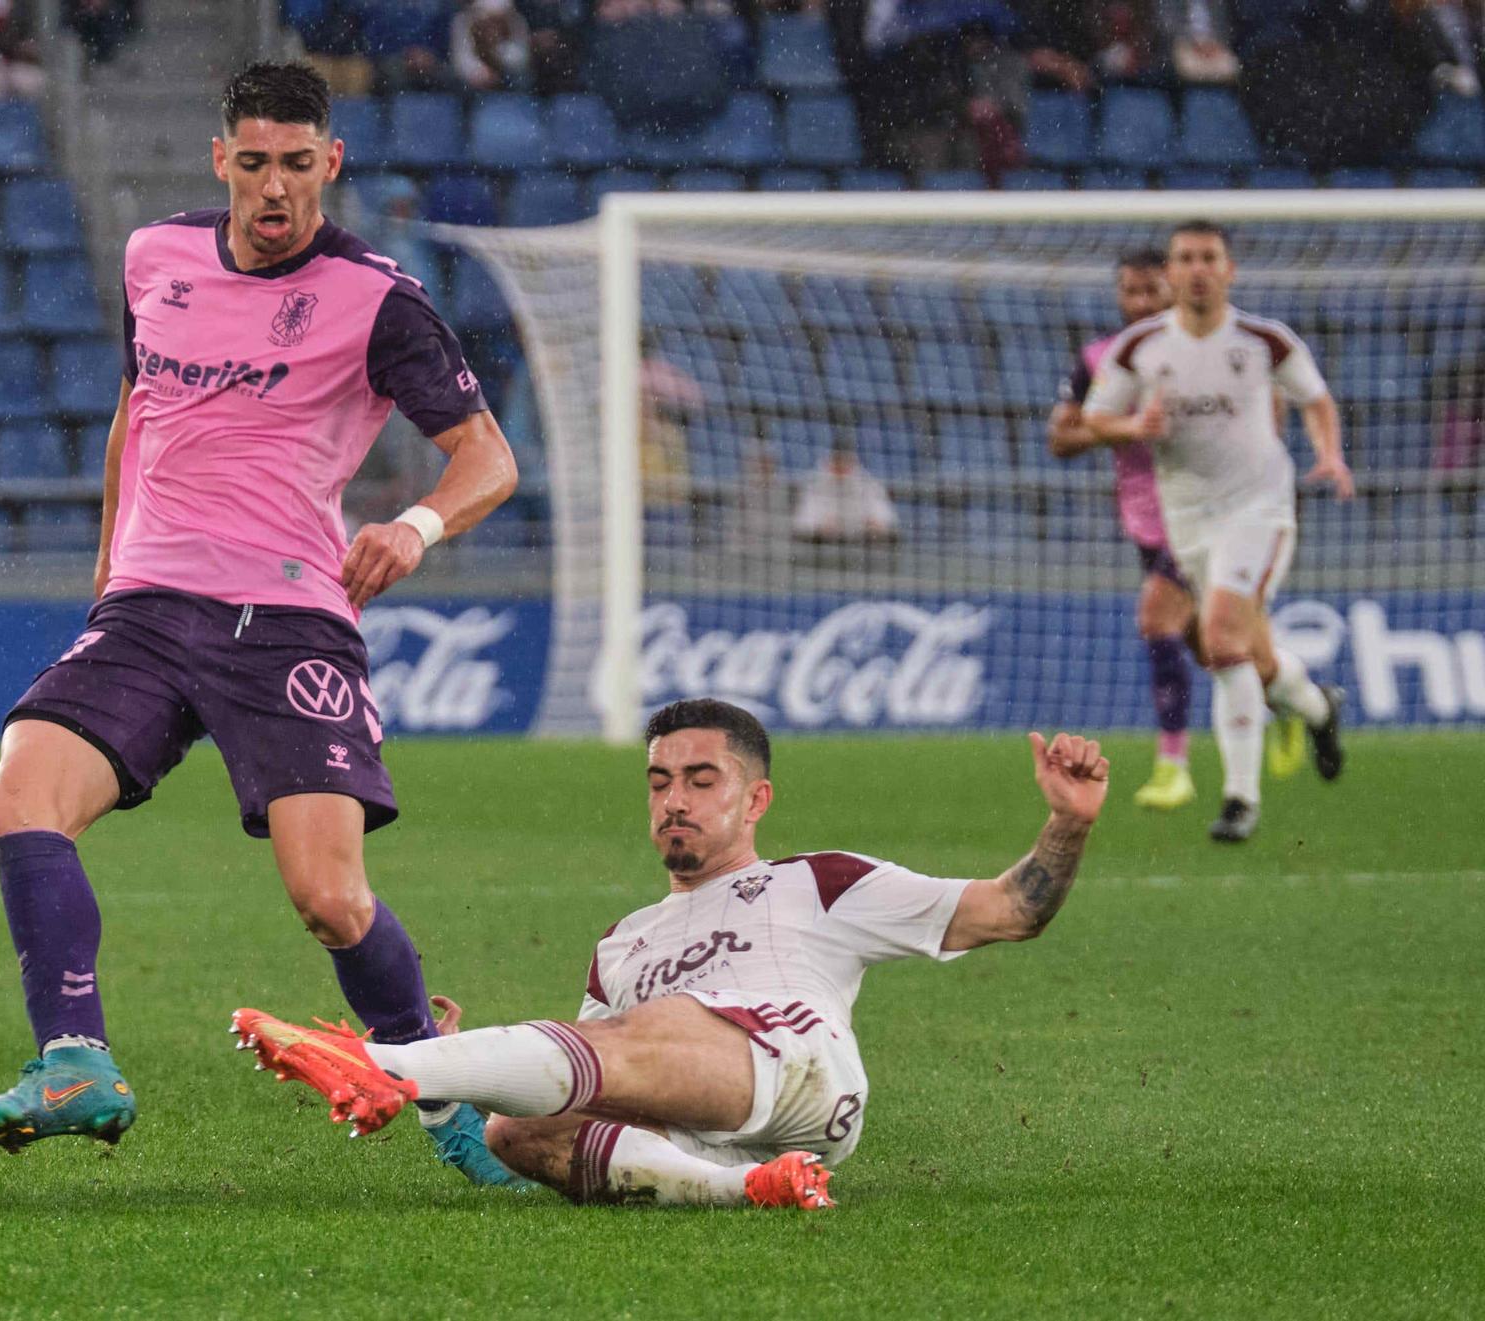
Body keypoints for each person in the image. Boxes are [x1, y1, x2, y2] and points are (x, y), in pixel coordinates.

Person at [0, 62, 526, 1188]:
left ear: (331, 163)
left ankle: (435, 1085)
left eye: (297, 163)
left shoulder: (379, 298)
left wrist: (414, 527)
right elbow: (140, 410)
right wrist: (108, 568)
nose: (274, 187)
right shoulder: (156, 259)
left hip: (284, 621)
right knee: (20, 793)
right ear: (220, 160)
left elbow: (487, 458)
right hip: (143, 606)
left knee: (327, 899)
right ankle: (74, 1060)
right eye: (254, 162)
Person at [232, 698, 1111, 1210]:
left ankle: (378, 1061)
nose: (674, 801)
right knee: (523, 1127)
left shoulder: (823, 880)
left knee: (644, 1032)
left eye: (701, 780)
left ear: (755, 797)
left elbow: (1010, 910)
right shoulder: (623, 943)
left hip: (801, 1072)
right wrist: (455, 1109)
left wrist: (1066, 821)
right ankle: (747, 1188)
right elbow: (570, 1112)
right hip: (713, 1127)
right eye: (660, 782)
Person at [1083, 219, 1349, 843]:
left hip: (1259, 508)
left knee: (1224, 638)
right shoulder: (1140, 349)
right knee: (1225, 651)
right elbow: (1094, 418)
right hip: (1188, 519)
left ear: (1229, 270)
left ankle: (1239, 802)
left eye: (1209, 257)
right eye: (1185, 258)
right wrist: (1133, 428)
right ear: (1169, 274)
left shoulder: (1265, 341)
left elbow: (1315, 399)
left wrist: (1330, 453)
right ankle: (1315, 706)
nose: (1198, 269)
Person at [1048, 249, 1205, 810]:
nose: (1139, 302)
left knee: (1154, 617)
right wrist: (1123, 427)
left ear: (1174, 290)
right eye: (1130, 291)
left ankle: (1173, 766)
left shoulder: (1204, 355)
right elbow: (1060, 440)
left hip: (1205, 514)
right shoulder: (1100, 359)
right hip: (1145, 523)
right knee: (1209, 646)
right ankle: (1292, 696)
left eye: (1151, 291)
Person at [790, 437, 899, 543]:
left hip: (861, 547)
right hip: (823, 547)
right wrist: (819, 527)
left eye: (846, 461)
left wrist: (875, 523)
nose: (842, 466)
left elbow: (885, 520)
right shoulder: (813, 484)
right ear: (832, 460)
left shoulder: (868, 485)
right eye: (838, 461)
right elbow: (802, 524)